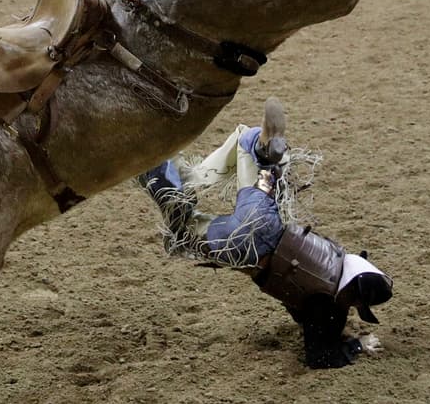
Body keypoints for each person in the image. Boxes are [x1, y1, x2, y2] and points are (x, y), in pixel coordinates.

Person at [139, 99, 393, 369]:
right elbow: (319, 357)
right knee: (182, 227)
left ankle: (256, 155)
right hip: (242, 249)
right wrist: (356, 344)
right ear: (355, 297)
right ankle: (147, 156)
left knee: (246, 143)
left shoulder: (336, 254)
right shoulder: (331, 310)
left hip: (265, 219)